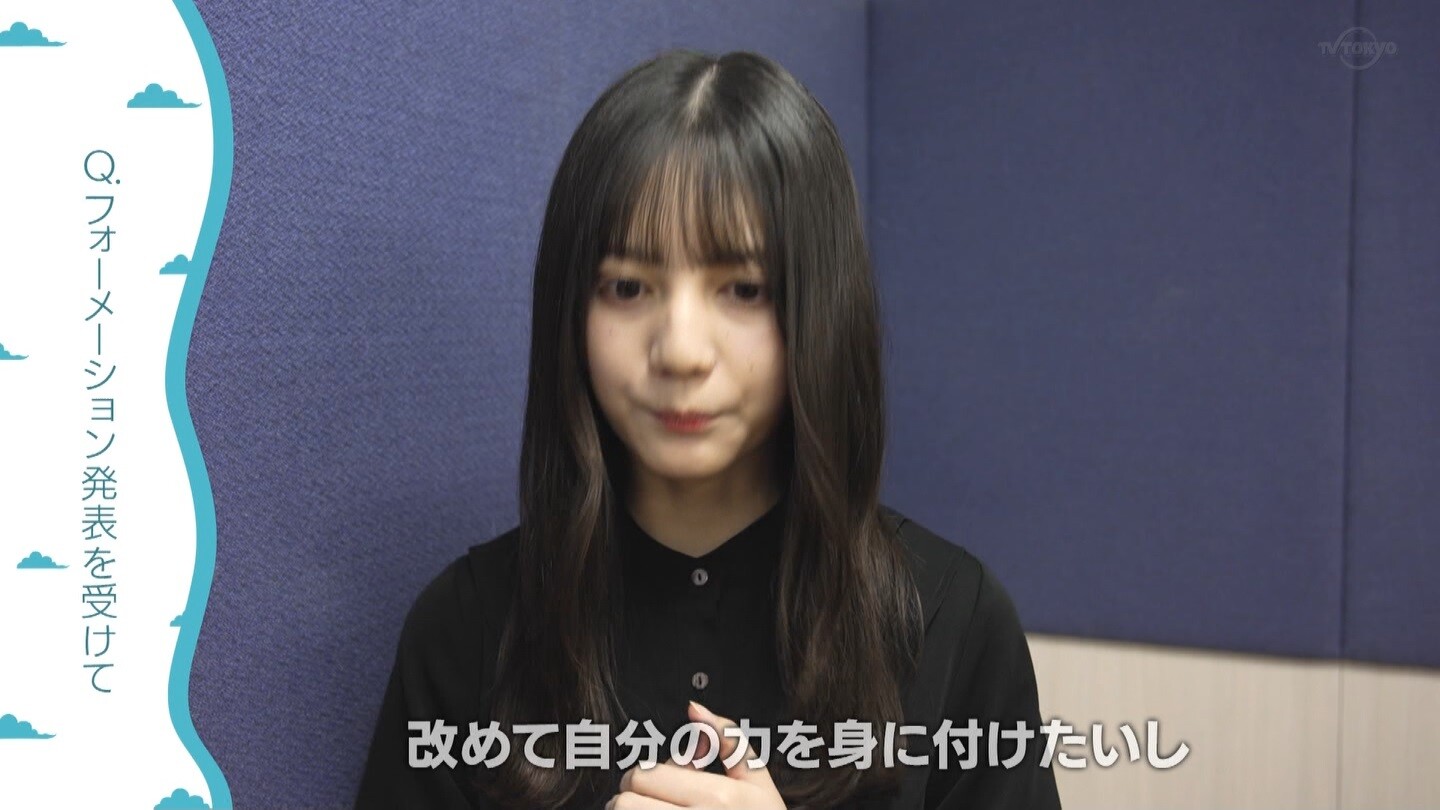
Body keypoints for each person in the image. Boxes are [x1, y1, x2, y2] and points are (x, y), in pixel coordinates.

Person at [355, 48, 1061, 810]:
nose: (682, 351)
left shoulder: (951, 621)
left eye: (743, 290)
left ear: (819, 311)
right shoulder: (466, 628)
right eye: (629, 287)